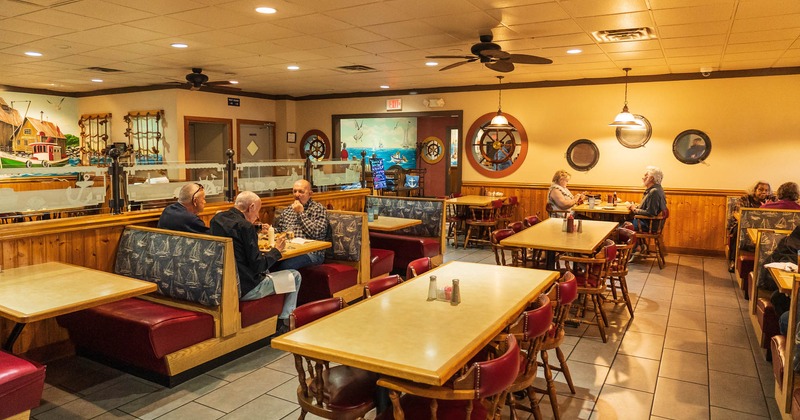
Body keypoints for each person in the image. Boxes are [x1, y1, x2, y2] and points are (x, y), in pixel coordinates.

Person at [210, 191, 301, 335]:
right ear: (251, 207)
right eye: (257, 210)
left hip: (222, 285)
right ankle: (285, 322)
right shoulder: (245, 226)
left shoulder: (217, 219)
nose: (258, 216)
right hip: (246, 288)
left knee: (271, 271)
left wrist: (256, 228)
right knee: (295, 275)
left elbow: (234, 232)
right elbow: (258, 265)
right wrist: (276, 251)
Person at [272, 179, 329, 271]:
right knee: (268, 263)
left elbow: (317, 233)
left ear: (310, 194)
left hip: (312, 253)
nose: (297, 194)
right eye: (295, 191)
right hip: (290, 251)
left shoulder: (318, 209)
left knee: (285, 266)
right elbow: (280, 231)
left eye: (301, 191)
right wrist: (269, 230)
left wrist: (301, 213)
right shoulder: (288, 210)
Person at [726, 181, 773, 271]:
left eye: (766, 190)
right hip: (744, 224)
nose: (764, 192)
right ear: (754, 190)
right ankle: (733, 260)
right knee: (737, 230)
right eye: (761, 190)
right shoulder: (745, 199)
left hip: (764, 226)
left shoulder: (771, 200)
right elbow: (740, 213)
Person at [627, 166, 667, 233]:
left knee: (618, 225)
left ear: (651, 178)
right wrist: (635, 207)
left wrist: (634, 209)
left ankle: (633, 243)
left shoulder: (654, 191)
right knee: (623, 221)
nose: (643, 178)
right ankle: (637, 243)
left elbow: (651, 213)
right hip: (645, 222)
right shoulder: (656, 189)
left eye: (646, 175)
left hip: (647, 224)